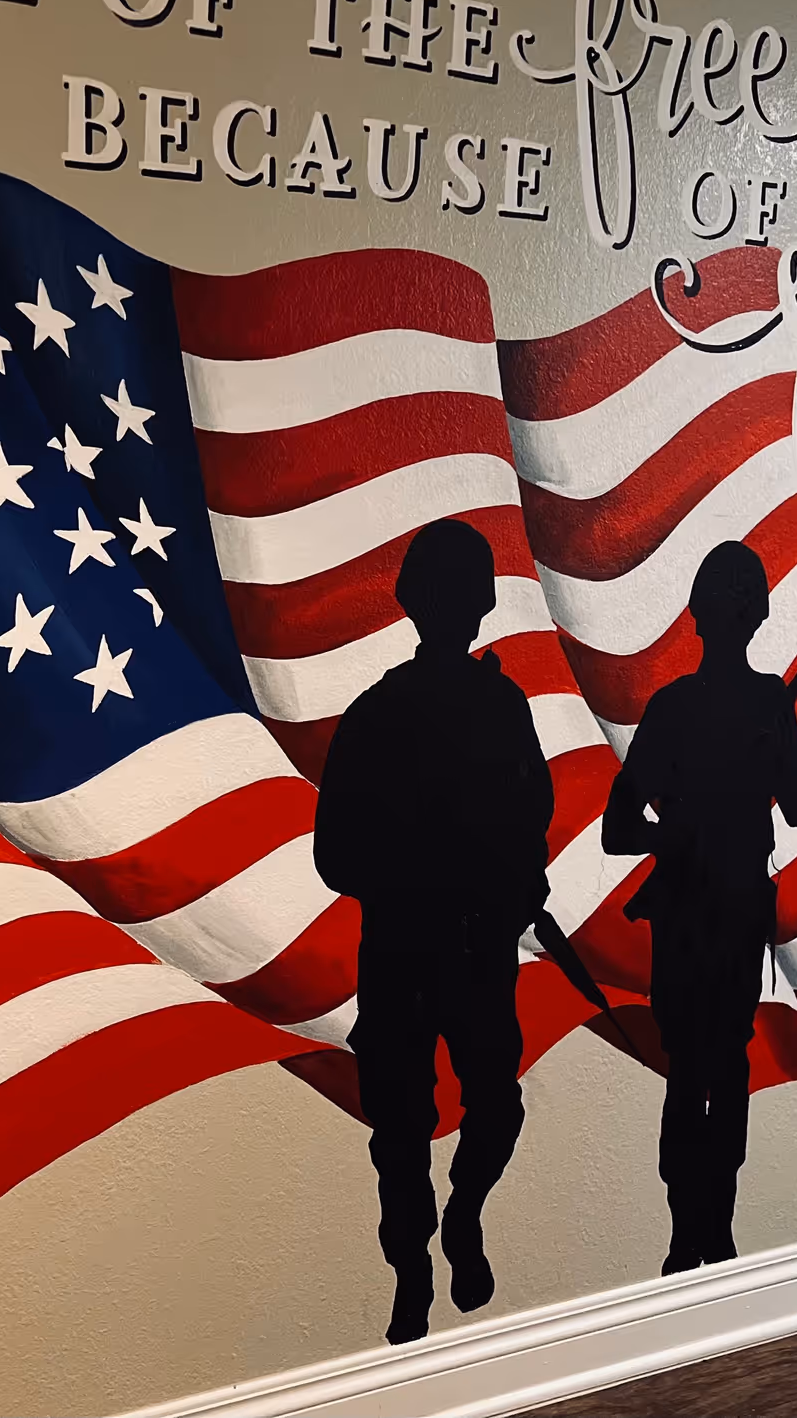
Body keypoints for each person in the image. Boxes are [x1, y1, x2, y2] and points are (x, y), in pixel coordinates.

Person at [314, 518, 555, 1345]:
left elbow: (533, 817)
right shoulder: (379, 716)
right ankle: (412, 1269)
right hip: (405, 950)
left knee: (493, 1107)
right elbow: (334, 855)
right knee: (400, 1129)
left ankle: (463, 1215)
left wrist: (516, 882)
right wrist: (419, 875)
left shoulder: (498, 707)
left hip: (475, 946)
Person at [603, 539, 797, 1275]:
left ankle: (704, 1233)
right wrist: (681, 836)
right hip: (696, 914)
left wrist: (776, 753)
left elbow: (796, 806)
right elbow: (620, 828)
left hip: (729, 914)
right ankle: (694, 1233)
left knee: (710, 1068)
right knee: (705, 1069)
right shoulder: (698, 707)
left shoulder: (745, 704)